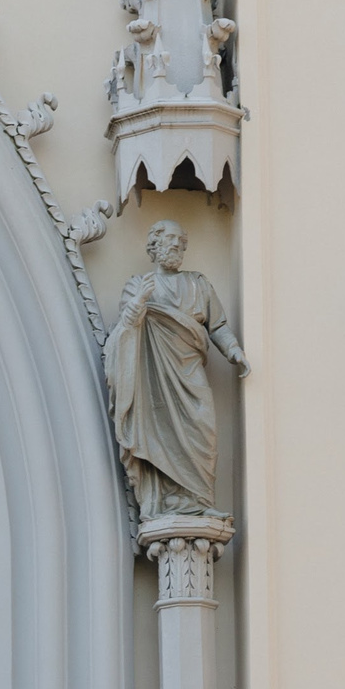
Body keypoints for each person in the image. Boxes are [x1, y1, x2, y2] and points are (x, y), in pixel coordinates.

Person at [103, 218, 249, 522]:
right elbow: (125, 331)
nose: (175, 245)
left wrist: (234, 350)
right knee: (161, 434)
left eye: (180, 241)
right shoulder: (139, 284)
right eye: (169, 239)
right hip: (155, 380)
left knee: (202, 428)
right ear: (154, 245)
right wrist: (140, 301)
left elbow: (217, 325)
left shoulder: (199, 284)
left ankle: (200, 500)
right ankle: (167, 503)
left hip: (190, 371)